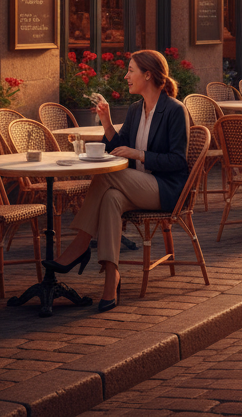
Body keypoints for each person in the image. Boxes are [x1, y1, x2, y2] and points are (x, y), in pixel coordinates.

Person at [44, 50, 189, 311]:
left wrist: (140, 155)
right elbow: (118, 148)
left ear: (148, 74)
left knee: (107, 174)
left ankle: (80, 245)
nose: (126, 76)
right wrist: (107, 123)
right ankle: (112, 279)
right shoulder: (136, 109)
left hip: (165, 189)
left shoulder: (174, 110)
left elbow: (178, 161)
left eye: (131, 70)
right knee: (111, 198)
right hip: (135, 186)